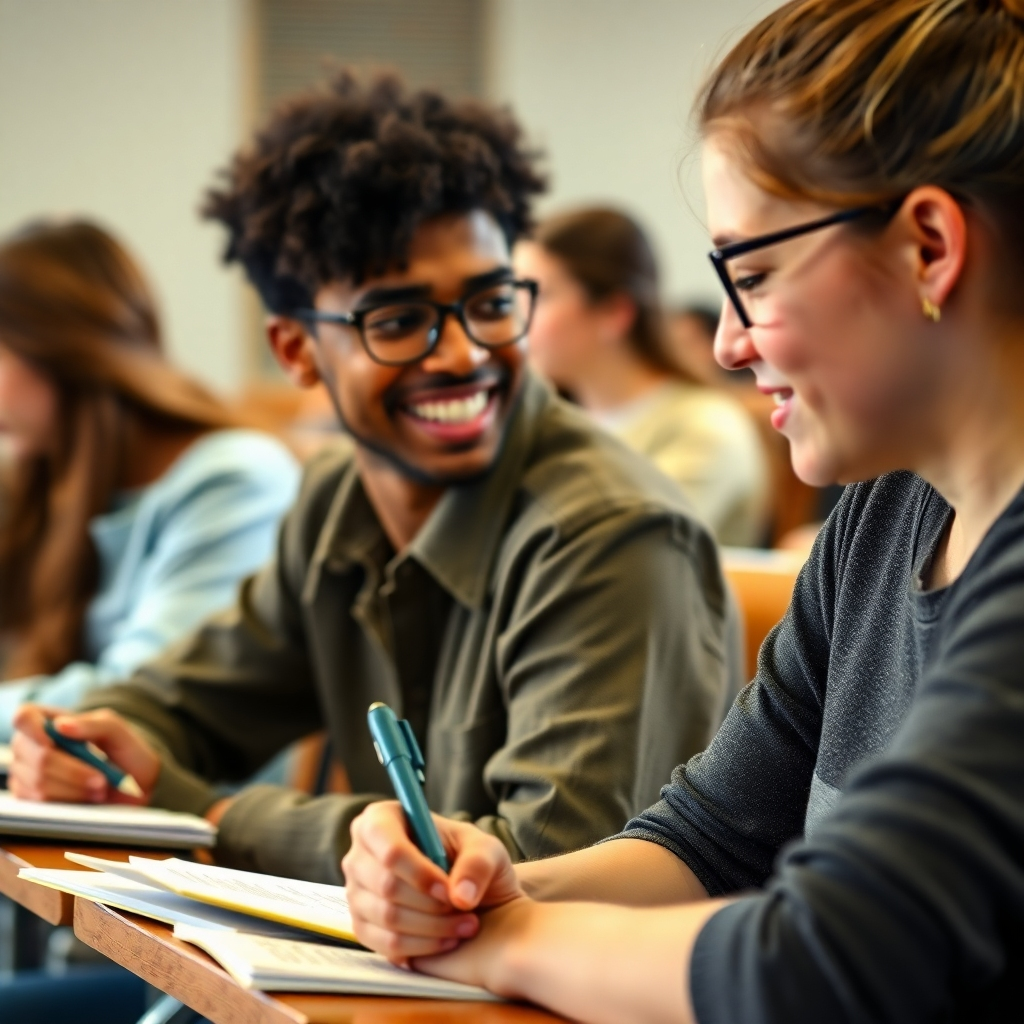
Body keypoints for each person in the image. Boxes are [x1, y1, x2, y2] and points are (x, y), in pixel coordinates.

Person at [336, 2, 1024, 1021]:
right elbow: (711, 841)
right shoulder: (881, 514)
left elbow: (818, 964)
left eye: (751, 276)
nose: (725, 344)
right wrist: (491, 890)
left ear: (926, 245)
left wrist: (514, 943)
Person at [8, 73, 740, 884]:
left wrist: (210, 814)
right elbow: (174, 706)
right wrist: (86, 747)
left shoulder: (610, 533)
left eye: (492, 303)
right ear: (294, 351)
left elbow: (536, 870)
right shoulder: (336, 503)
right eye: (398, 322)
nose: (463, 354)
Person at [0, 220, 299, 742]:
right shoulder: (40, 483)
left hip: (193, 815)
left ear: (61, 350)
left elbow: (138, 703)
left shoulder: (239, 481)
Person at [517, 207, 769, 545]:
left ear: (614, 312)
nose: (517, 319)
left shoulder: (705, 428)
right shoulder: (546, 424)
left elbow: (622, 552)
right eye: (513, 297)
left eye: (540, 295)